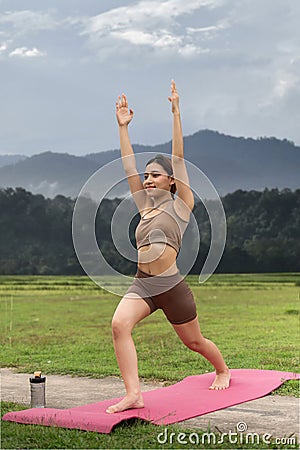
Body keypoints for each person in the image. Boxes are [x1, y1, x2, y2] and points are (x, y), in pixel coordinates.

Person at [106, 80, 230, 414]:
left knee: (194, 342)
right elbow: (128, 166)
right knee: (119, 325)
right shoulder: (144, 207)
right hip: (142, 284)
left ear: (171, 181)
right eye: (147, 176)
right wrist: (123, 127)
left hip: (172, 287)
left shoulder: (181, 205)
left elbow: (178, 157)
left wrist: (176, 112)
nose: (148, 180)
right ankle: (134, 394)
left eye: (156, 176)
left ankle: (222, 369)